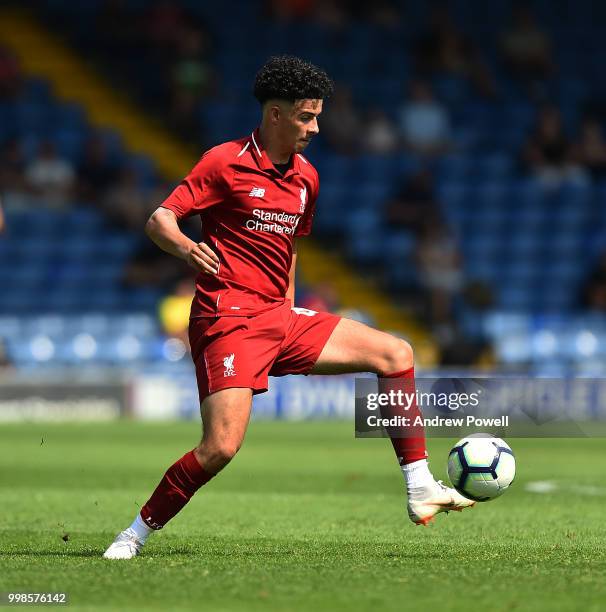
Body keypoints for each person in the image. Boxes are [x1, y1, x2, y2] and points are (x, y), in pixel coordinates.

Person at [103, 55, 474, 560]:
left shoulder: (307, 179)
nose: (316, 128)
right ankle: (135, 533)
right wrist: (188, 248)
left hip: (279, 317)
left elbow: (291, 248)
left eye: (318, 116)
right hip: (227, 318)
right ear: (274, 115)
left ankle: (419, 485)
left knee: (396, 353)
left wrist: (291, 313)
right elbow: (159, 220)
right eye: (306, 116)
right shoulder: (223, 161)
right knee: (220, 449)